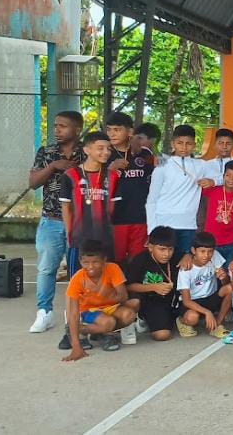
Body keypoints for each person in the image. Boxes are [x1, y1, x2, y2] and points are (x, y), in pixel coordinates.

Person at [60, 240, 139, 361]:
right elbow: (73, 313)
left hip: (111, 307)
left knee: (130, 313)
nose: (90, 266)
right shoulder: (77, 279)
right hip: (89, 310)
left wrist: (107, 295)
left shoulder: (113, 268)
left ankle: (89, 331)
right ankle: (77, 331)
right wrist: (76, 347)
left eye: (95, 262)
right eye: (86, 262)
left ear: (104, 260)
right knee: (108, 322)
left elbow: (123, 297)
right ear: (80, 261)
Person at [59, 132, 120, 277]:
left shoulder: (113, 176)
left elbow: (115, 210)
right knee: (78, 280)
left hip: (105, 239)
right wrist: (69, 234)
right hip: (80, 239)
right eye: (100, 148)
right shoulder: (70, 175)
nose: (106, 152)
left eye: (108, 148)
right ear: (87, 150)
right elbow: (66, 208)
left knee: (107, 280)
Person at [103, 112, 155, 264]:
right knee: (115, 261)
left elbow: (157, 177)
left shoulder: (143, 154)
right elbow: (95, 183)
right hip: (116, 218)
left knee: (137, 261)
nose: (112, 134)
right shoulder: (104, 154)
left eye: (117, 130)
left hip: (141, 217)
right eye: (109, 129)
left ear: (130, 132)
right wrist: (110, 169)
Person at [147, 125, 205, 256]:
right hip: (163, 224)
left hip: (188, 225)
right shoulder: (163, 166)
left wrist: (212, 181)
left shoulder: (201, 165)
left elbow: (222, 176)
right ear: (173, 143)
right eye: (180, 143)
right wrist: (151, 230)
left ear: (194, 145)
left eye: (188, 143)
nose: (184, 147)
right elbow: (152, 200)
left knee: (185, 263)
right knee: (164, 262)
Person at [125, 226, 179, 342]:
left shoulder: (177, 258)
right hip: (150, 300)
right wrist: (154, 287)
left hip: (172, 300)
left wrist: (188, 256)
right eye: (162, 249)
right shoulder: (140, 260)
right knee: (162, 335)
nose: (166, 254)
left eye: (170, 249)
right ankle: (141, 317)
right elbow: (128, 286)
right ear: (150, 247)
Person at [175, 232, 232, 339]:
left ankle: (217, 325)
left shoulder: (215, 256)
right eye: (202, 251)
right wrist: (207, 312)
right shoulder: (186, 268)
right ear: (193, 251)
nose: (206, 255)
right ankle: (181, 321)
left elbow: (226, 283)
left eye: (210, 251)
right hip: (192, 302)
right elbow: (186, 301)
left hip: (210, 297)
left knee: (230, 289)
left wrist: (223, 277)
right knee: (192, 318)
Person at [199, 160, 233, 263]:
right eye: (228, 175)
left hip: (231, 241)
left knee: (229, 270)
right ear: (223, 176)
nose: (231, 179)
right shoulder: (213, 190)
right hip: (210, 242)